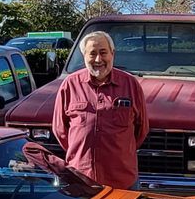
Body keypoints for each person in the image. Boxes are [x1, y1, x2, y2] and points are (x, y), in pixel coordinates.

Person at [51, 30, 149, 188]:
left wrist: (120, 152)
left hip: (122, 181)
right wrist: (82, 152)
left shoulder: (130, 85)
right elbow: (60, 130)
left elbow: (141, 129)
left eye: (103, 52)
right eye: (92, 53)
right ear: (84, 56)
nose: (98, 59)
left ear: (112, 53)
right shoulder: (70, 85)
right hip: (81, 180)